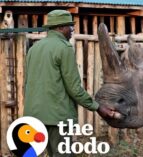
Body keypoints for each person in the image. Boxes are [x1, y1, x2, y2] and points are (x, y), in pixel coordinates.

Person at [24, 10, 100, 157]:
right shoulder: (64, 48)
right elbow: (74, 88)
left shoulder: (34, 49)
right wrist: (96, 107)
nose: (72, 30)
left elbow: (29, 83)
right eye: (69, 26)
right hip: (57, 117)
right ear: (60, 28)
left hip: (34, 117)